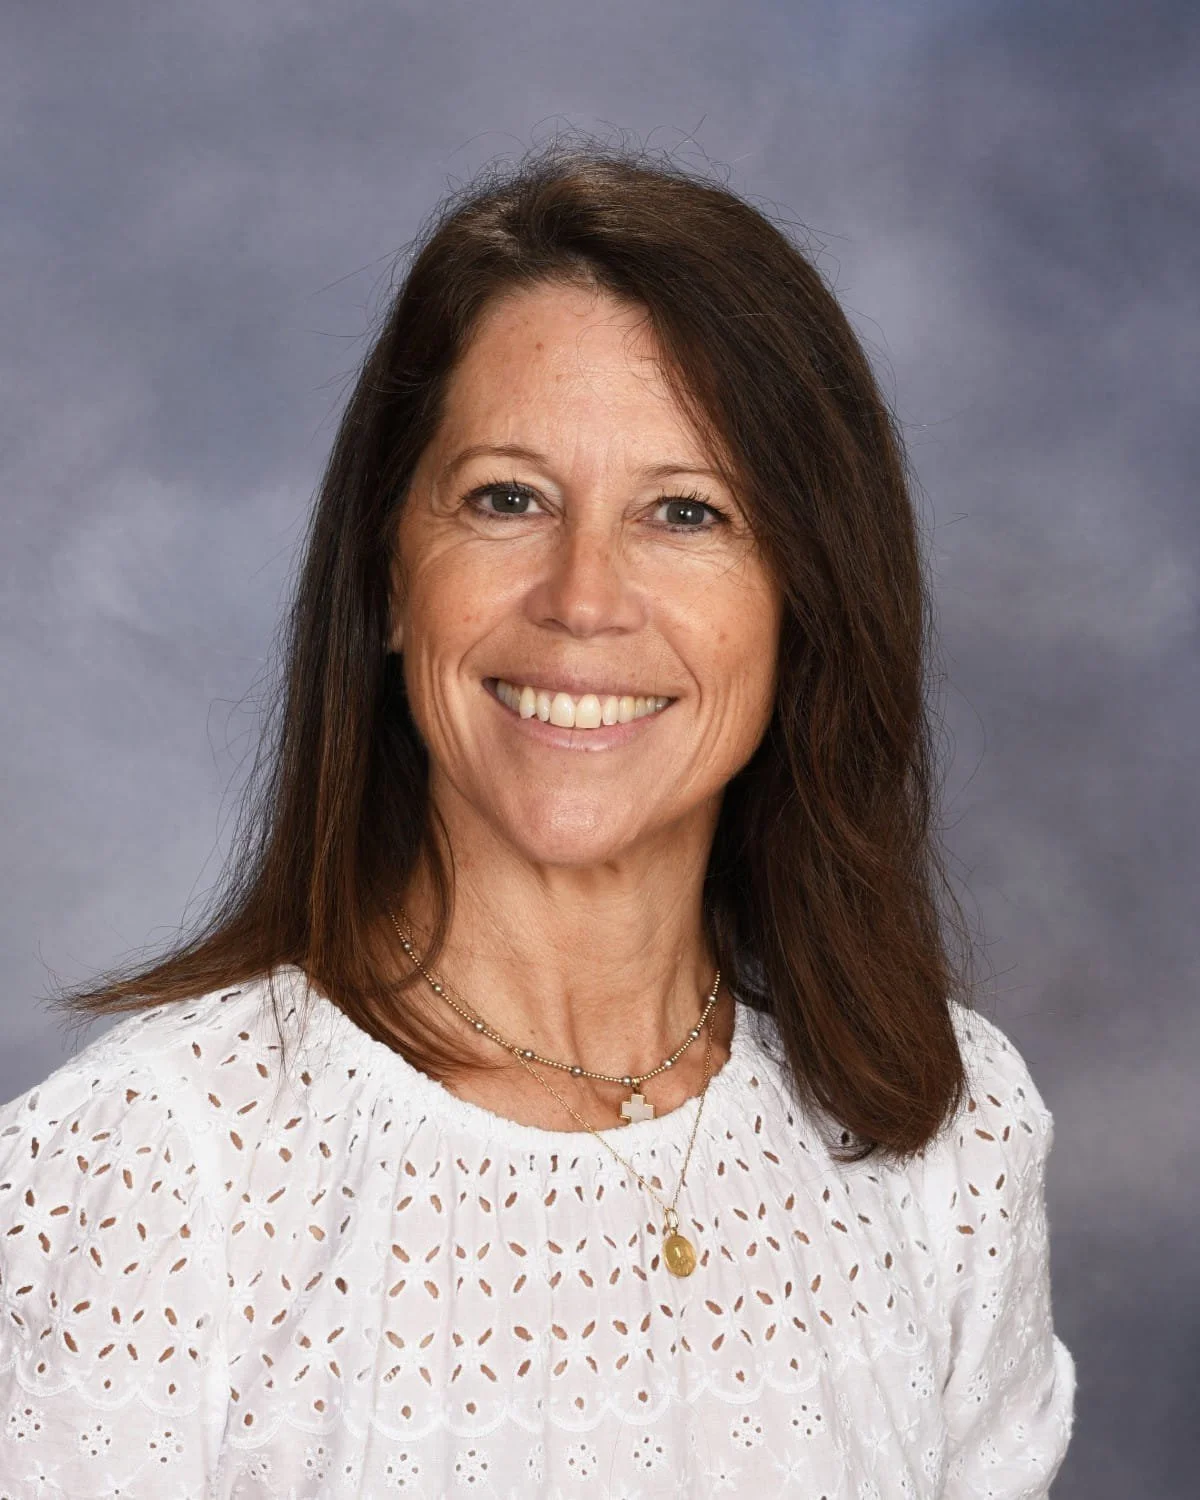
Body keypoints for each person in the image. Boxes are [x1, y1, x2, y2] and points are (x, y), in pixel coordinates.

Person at [0, 141, 1075, 1497]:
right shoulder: (148, 1179)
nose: (583, 599)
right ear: (390, 577)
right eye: (507, 499)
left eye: (687, 513)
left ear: (804, 604)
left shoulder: (948, 1140)